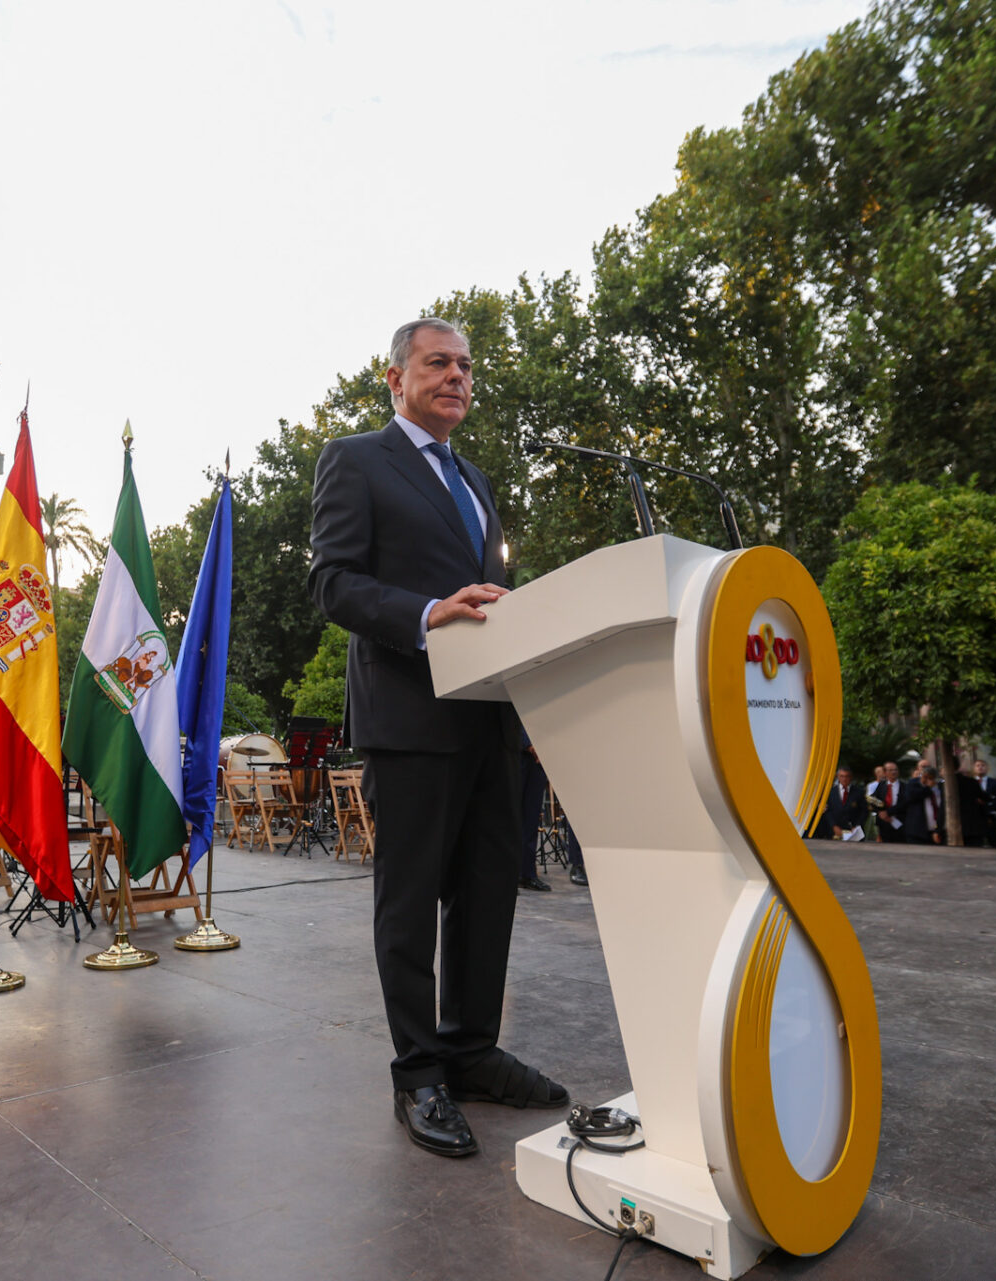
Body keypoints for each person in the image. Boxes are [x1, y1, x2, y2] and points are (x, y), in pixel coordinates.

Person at [309, 317, 565, 1160]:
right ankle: (419, 1070)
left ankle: (471, 1047)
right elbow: (335, 582)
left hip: (489, 718)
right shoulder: (355, 460)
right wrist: (426, 614)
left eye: (464, 365)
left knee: (490, 893)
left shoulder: (478, 481)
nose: (456, 376)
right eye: (437, 363)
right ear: (396, 378)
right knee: (411, 900)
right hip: (409, 717)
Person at [516, 739, 552, 892]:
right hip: (516, 752)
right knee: (511, 818)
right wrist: (528, 743)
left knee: (531, 819)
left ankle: (527, 874)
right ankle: (508, 876)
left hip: (539, 758)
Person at [821, 767, 866, 840]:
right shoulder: (830, 792)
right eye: (842, 776)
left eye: (847, 776)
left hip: (854, 832)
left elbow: (864, 811)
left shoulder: (859, 792)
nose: (844, 779)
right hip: (835, 832)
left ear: (851, 777)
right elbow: (827, 811)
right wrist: (834, 826)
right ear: (837, 777)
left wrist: (857, 826)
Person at [971, 759, 996, 833]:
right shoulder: (970, 782)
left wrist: (988, 804)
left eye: (983, 765)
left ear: (987, 768)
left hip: (990, 814)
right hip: (975, 815)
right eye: (978, 766)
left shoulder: (994, 782)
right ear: (974, 768)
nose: (980, 767)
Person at [869, 761, 903, 843]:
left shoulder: (904, 786)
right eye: (891, 770)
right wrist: (880, 812)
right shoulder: (881, 785)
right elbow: (873, 800)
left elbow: (904, 803)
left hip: (899, 823)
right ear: (885, 772)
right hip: (884, 824)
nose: (894, 772)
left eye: (895, 770)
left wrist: (887, 812)